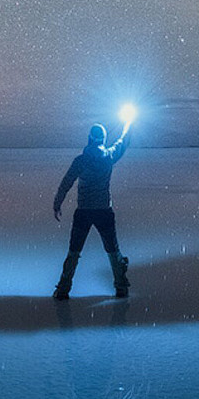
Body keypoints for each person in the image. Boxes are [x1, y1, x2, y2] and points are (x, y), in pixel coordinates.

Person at [52, 115, 133, 300]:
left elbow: (66, 183)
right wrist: (129, 123)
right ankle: (121, 287)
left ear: (89, 139)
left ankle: (63, 290)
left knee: (74, 251)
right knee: (113, 251)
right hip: (104, 211)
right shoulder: (108, 157)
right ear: (103, 140)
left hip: (84, 212)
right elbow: (123, 142)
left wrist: (57, 203)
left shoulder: (81, 161)